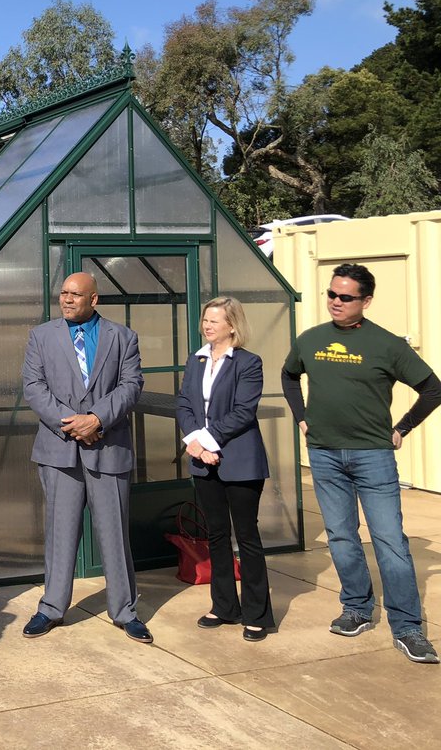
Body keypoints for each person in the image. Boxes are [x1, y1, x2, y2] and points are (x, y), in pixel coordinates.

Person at [282, 262, 441, 664]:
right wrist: (302, 417)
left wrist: (402, 427)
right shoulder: (311, 339)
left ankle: (407, 628)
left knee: (389, 539)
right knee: (341, 535)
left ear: (365, 301)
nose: (336, 302)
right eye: (332, 294)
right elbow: (288, 376)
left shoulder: (387, 345)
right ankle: (357, 608)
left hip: (373, 457)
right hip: (324, 453)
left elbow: (432, 389)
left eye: (345, 297)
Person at [21, 273, 151, 643]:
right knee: (60, 532)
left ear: (94, 299)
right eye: (62, 293)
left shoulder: (122, 337)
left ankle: (125, 611)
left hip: (108, 447)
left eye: (75, 295)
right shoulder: (41, 336)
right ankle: (51, 608)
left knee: (114, 533)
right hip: (59, 449)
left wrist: (96, 420)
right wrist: (73, 424)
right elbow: (33, 387)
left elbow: (131, 385)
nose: (66, 299)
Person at [175, 297, 275, 641]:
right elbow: (185, 403)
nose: (207, 326)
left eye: (214, 321)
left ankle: (257, 614)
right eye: (205, 320)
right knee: (216, 534)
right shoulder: (196, 359)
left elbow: (243, 411)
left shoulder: (248, 363)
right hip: (203, 461)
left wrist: (205, 442)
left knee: (246, 536)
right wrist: (195, 444)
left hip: (241, 462)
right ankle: (223, 606)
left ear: (232, 325)